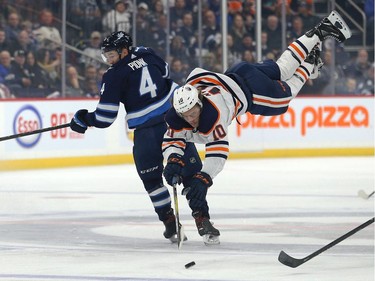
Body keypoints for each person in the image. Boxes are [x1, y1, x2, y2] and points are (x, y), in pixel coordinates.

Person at [161, 10, 352, 244]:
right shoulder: (182, 112)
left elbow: (218, 153)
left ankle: (309, 64)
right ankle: (320, 30)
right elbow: (171, 140)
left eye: (193, 114)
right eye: (185, 115)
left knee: (284, 98)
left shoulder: (215, 115)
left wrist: (204, 178)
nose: (190, 119)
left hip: (250, 92)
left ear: (200, 104)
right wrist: (172, 159)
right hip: (239, 71)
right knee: (281, 69)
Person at [69, 31, 202, 243]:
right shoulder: (147, 54)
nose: (108, 60)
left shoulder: (113, 76)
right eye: (106, 55)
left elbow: (105, 117)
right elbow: (167, 74)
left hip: (147, 132)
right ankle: (203, 219)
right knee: (190, 173)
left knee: (151, 179)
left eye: (111, 55)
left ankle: (170, 222)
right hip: (174, 123)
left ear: (124, 50)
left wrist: (84, 119)